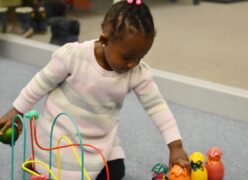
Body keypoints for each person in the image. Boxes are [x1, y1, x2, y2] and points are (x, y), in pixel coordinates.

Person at [0, 0, 190, 179]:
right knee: (61, 172)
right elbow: (40, 83)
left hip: (101, 136)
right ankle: (40, 162)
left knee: (116, 171)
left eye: (141, 57)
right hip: (61, 135)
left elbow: (157, 107)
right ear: (104, 40)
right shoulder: (74, 56)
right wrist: (17, 110)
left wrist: (176, 145)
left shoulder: (137, 72)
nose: (133, 64)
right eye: (127, 57)